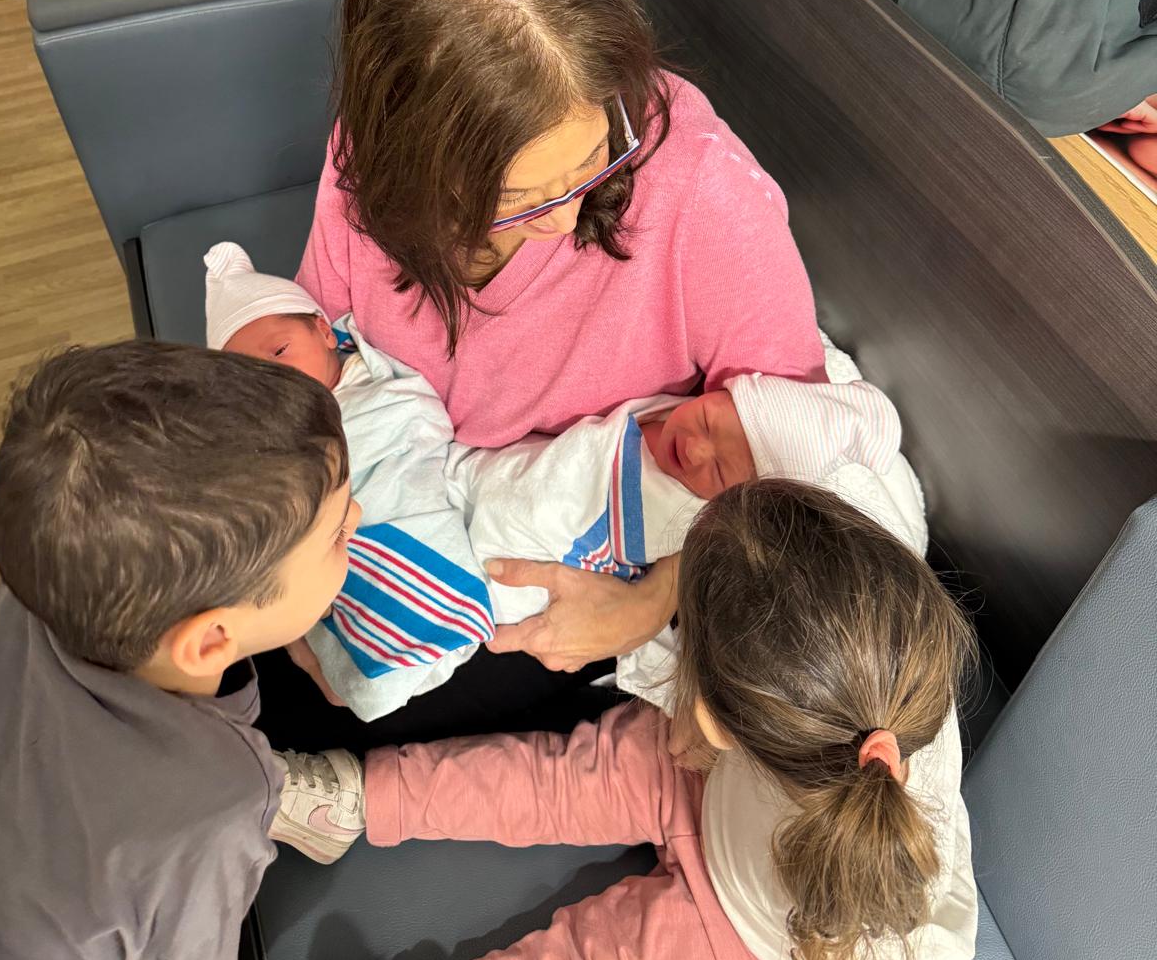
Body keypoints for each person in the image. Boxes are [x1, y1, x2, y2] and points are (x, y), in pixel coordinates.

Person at [248, 477, 1060, 960]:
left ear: (711, 719)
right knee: (559, 776)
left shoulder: (875, 953)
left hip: (765, 955)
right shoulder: (862, 657)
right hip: (724, 789)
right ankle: (350, 802)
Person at [279, 0, 824, 733]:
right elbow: (316, 365)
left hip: (578, 571)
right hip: (400, 507)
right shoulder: (366, 165)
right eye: (522, 199)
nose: (569, 218)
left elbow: (801, 472)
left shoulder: (705, 196)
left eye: (593, 164)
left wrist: (650, 603)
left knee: (291, 723)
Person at [208, 243, 922, 721]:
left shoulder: (710, 238)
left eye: (721, 469)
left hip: (509, 575)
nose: (696, 446)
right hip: (445, 493)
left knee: (308, 678)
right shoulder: (351, 260)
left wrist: (652, 600)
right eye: (711, 420)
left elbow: (811, 506)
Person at [0, 341, 368, 960]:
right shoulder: (213, 804)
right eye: (336, 535)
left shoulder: (62, 567)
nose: (357, 519)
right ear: (210, 641)